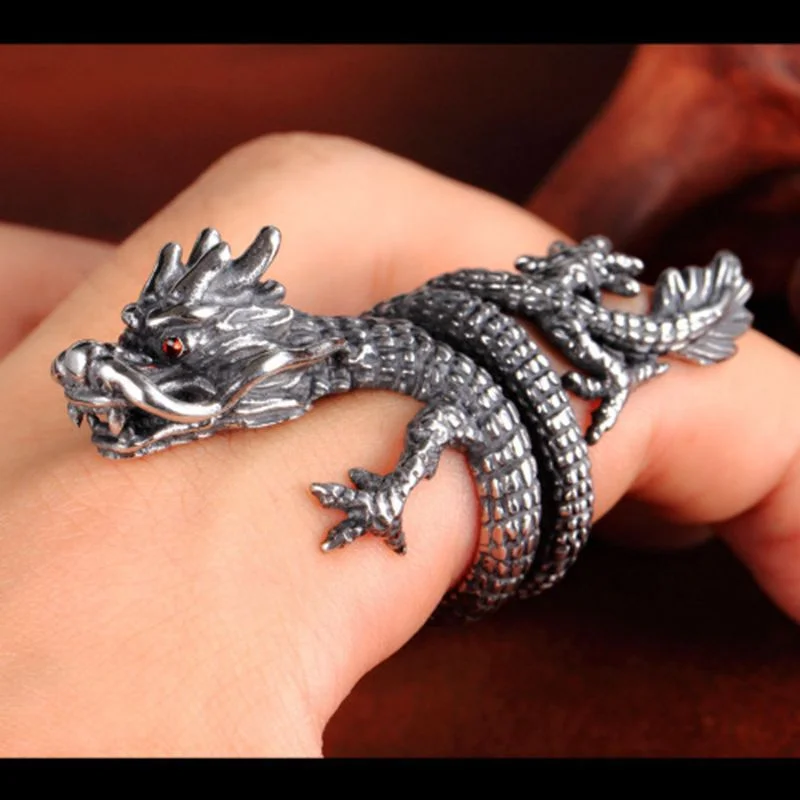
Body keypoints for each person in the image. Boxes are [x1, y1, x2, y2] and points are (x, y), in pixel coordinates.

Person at [0, 134, 797, 756]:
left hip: (484, 391)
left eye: (173, 351)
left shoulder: (317, 359)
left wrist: (392, 491)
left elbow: (443, 418)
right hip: (472, 356)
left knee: (436, 421)